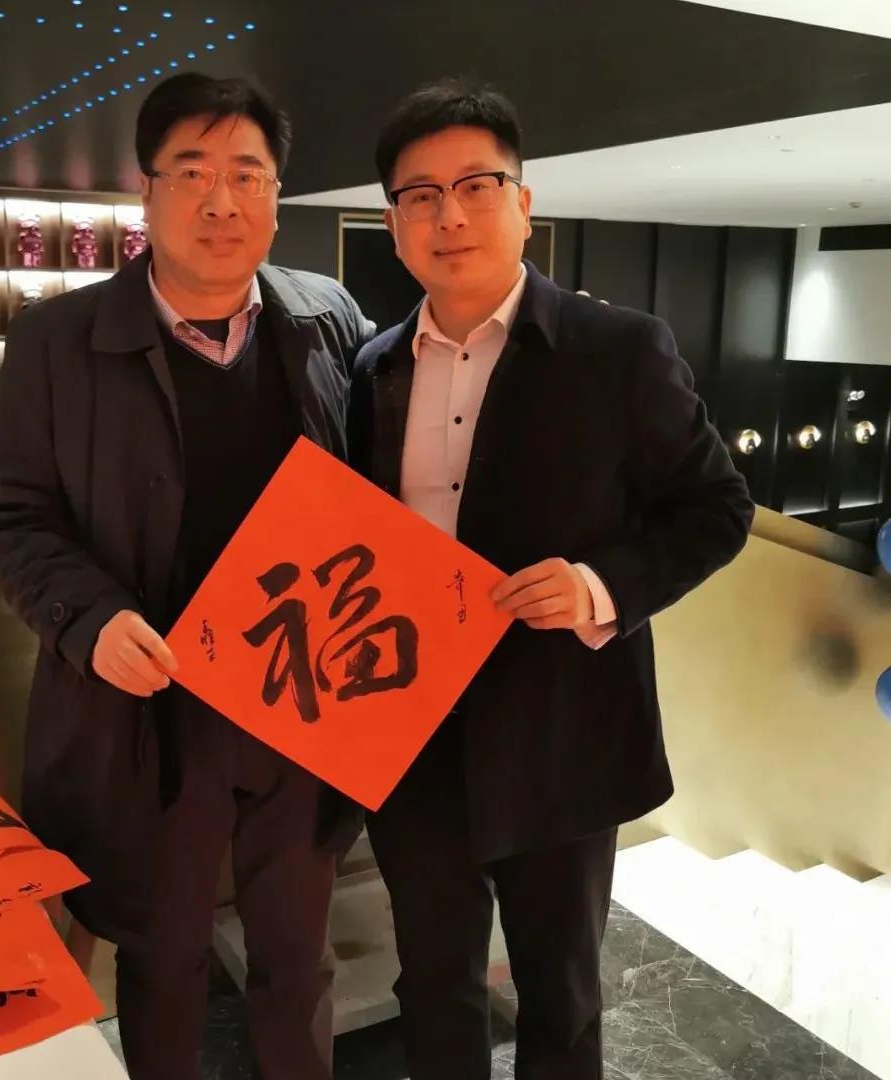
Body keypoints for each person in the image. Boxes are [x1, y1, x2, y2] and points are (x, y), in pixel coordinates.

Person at [348, 79, 755, 1080]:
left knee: (560, 995)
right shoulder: (373, 367)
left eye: (475, 186)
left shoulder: (620, 351)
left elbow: (717, 507)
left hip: (562, 733)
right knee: (431, 983)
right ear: (394, 225)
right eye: (419, 195)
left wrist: (599, 586)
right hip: (412, 735)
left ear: (523, 204)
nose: (449, 215)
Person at [0, 73, 372, 1080]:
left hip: (300, 706)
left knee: (298, 957)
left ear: (277, 194)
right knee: (161, 960)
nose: (221, 201)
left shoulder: (326, 317)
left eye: (248, 174)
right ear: (145, 192)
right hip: (150, 718)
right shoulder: (56, 341)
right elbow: (13, 515)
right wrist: (88, 619)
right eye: (192, 173)